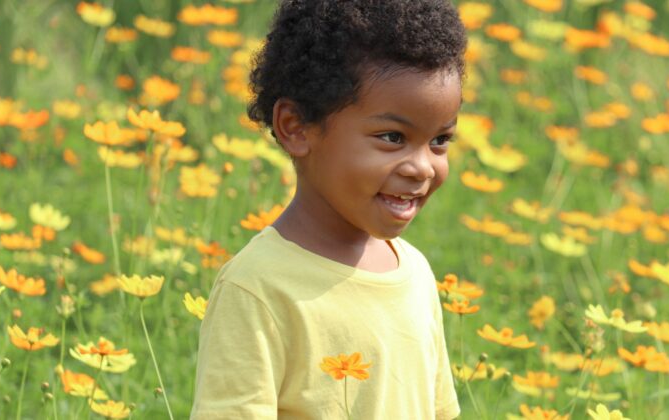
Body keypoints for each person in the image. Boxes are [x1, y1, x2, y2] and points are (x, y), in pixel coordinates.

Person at [190, 0, 467, 418]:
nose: (422, 167)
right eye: (393, 137)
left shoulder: (416, 274)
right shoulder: (257, 289)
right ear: (296, 128)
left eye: (440, 141)